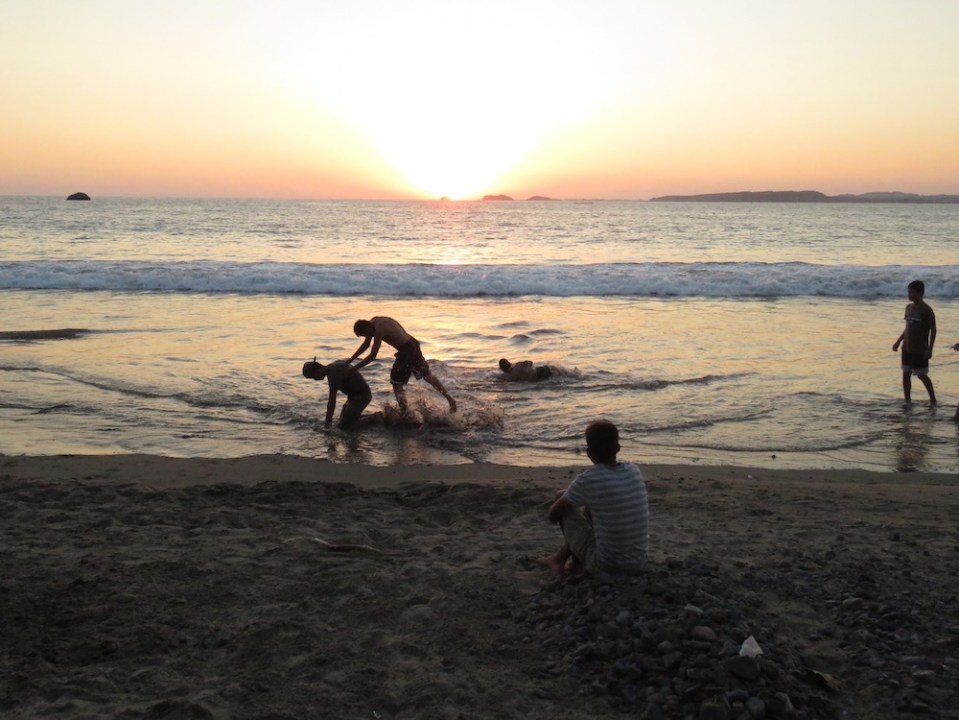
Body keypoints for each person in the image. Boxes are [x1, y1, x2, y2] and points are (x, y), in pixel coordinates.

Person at [539, 420, 649, 577]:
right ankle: (562, 560)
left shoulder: (589, 479)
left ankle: (564, 562)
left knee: (561, 497)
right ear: (618, 448)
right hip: (640, 563)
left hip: (607, 566)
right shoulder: (634, 470)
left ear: (588, 453)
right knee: (592, 506)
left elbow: (553, 515)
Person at [347, 317, 456, 415]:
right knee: (427, 375)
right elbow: (366, 344)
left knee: (396, 382)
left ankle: (404, 412)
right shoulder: (375, 321)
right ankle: (450, 400)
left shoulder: (379, 330)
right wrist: (350, 360)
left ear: (367, 328)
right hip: (413, 343)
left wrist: (354, 369)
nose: (367, 337)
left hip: (406, 350)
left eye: (366, 335)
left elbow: (372, 356)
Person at [302, 358, 382, 430]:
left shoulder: (333, 374)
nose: (315, 379)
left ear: (318, 370)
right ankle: (371, 417)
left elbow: (332, 402)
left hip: (361, 396)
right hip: (354, 396)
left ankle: (375, 418)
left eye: (313, 376)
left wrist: (327, 425)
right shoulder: (333, 366)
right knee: (343, 420)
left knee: (344, 427)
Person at [892, 280, 937, 406]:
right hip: (907, 348)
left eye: (911, 292)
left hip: (920, 349)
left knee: (921, 375)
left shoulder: (927, 310)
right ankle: (907, 401)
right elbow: (907, 327)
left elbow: (933, 329)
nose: (909, 294)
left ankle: (933, 399)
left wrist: (930, 348)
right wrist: (898, 341)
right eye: (908, 292)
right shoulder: (909, 308)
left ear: (920, 293)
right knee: (906, 374)